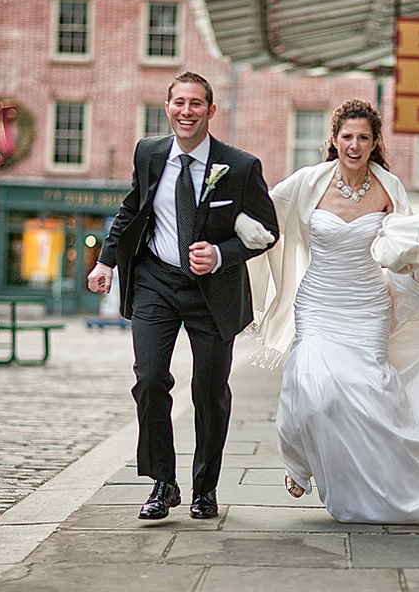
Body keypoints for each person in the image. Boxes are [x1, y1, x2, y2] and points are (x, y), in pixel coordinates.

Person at [246, 99, 419, 524]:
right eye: (347, 136)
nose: (354, 145)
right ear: (334, 140)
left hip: (368, 305)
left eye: (363, 138)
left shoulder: (390, 188)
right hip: (319, 301)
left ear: (374, 144)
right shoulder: (307, 183)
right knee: (311, 383)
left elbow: (412, 252)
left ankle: (371, 485)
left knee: (368, 394)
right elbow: (262, 213)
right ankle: (298, 458)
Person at [87, 72, 278, 521]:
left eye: (196, 104)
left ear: (211, 111)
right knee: (150, 379)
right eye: (179, 103)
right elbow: (133, 209)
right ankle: (162, 482)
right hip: (156, 280)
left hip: (212, 291)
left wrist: (220, 253)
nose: (186, 111)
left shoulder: (241, 167)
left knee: (209, 391)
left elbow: (267, 231)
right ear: (168, 107)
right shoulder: (149, 153)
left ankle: (204, 487)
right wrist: (106, 261)